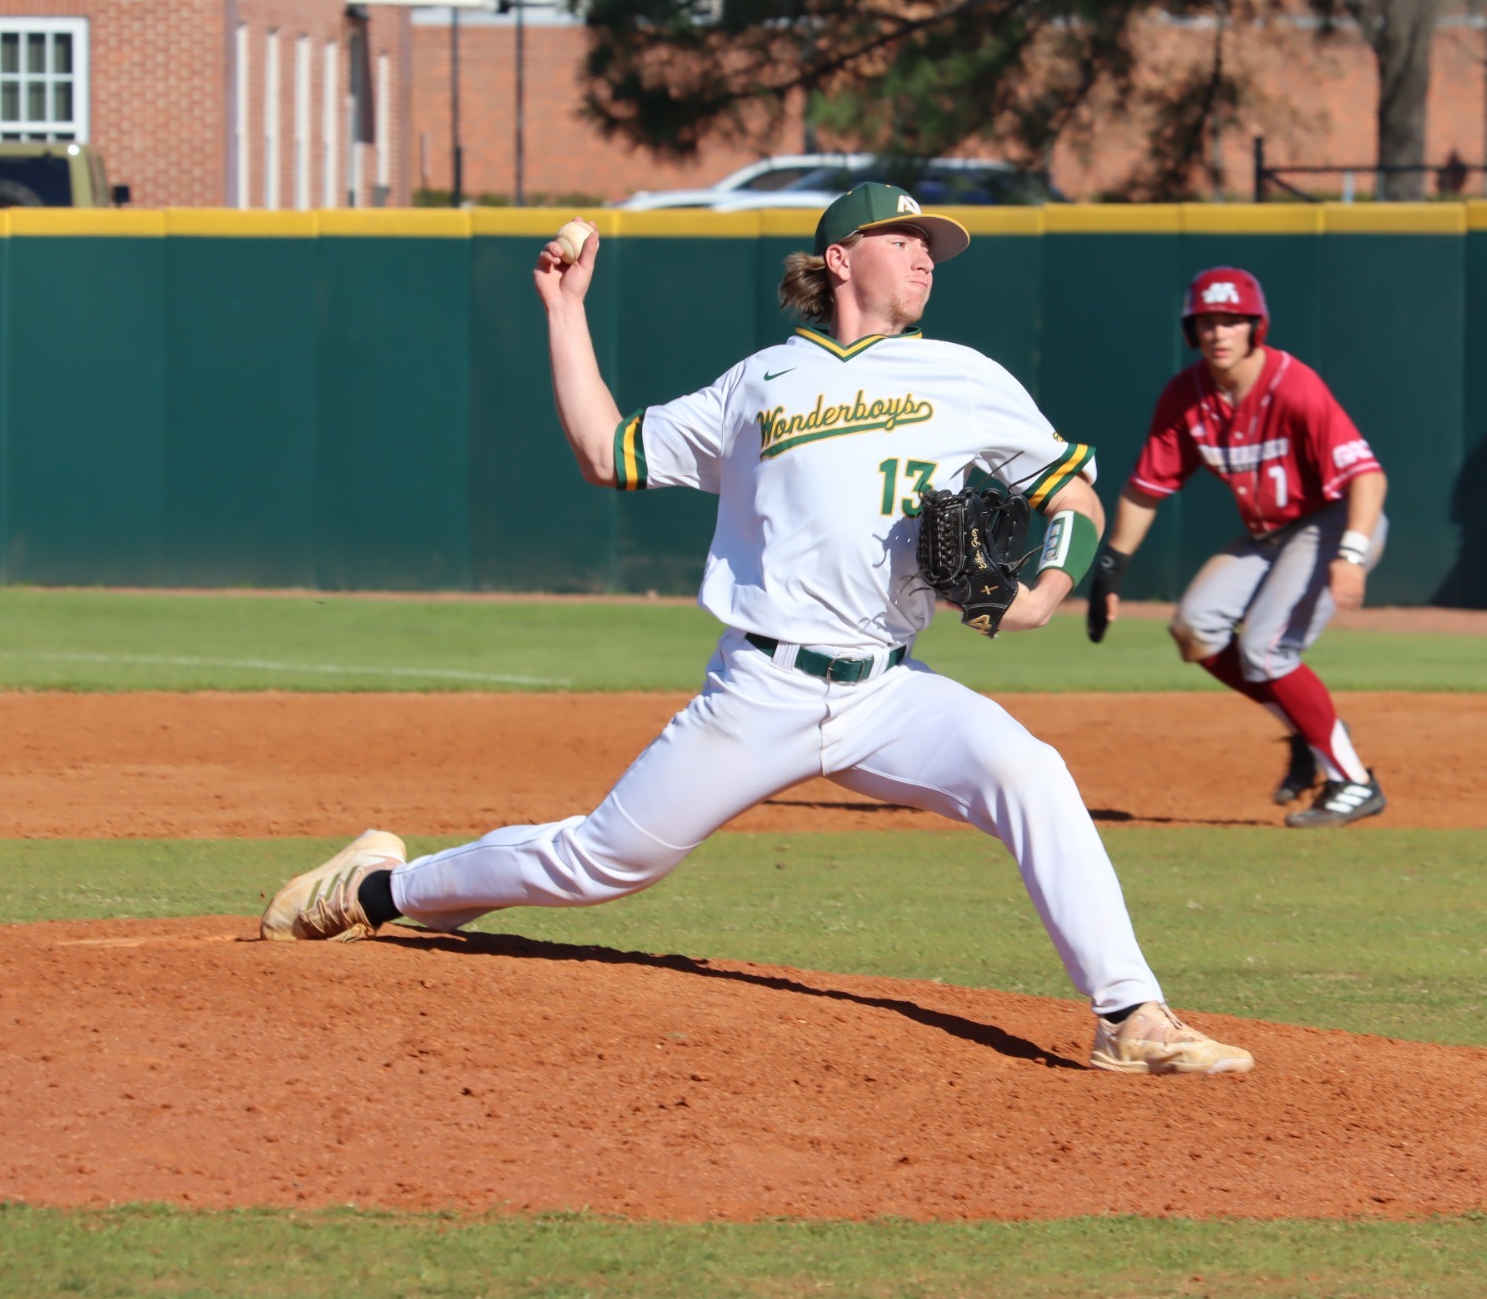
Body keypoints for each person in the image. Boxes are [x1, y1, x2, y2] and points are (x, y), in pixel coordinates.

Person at [259, 183, 1254, 1076]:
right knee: (599, 862)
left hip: (885, 692)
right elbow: (608, 450)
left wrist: (1045, 583)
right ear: (838, 257)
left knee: (1026, 769)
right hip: (761, 687)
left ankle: (1129, 1015)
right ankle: (382, 889)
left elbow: (1070, 492)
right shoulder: (760, 387)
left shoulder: (966, 378)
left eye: (930, 247)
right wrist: (564, 312)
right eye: (900, 238)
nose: (922, 256)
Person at [1086, 267, 1389, 829]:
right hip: (1269, 535)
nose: (1219, 332)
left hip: (1332, 522)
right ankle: (1308, 729)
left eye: (1233, 321)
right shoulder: (1188, 398)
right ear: (1191, 330)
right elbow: (1144, 489)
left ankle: (1353, 780)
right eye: (1207, 321)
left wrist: (1351, 554)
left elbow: (1368, 478)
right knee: (1195, 628)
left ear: (1257, 327)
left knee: (1266, 649)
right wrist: (1111, 568)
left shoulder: (1293, 385)